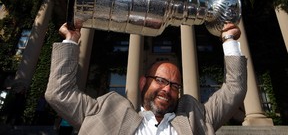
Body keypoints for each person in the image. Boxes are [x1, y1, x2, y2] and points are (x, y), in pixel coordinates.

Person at [45, 22, 247, 135]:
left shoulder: (197, 118)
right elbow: (59, 93)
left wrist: (229, 41)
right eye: (160, 81)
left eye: (175, 86)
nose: (167, 90)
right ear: (143, 82)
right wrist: (71, 41)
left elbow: (234, 90)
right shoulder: (104, 111)